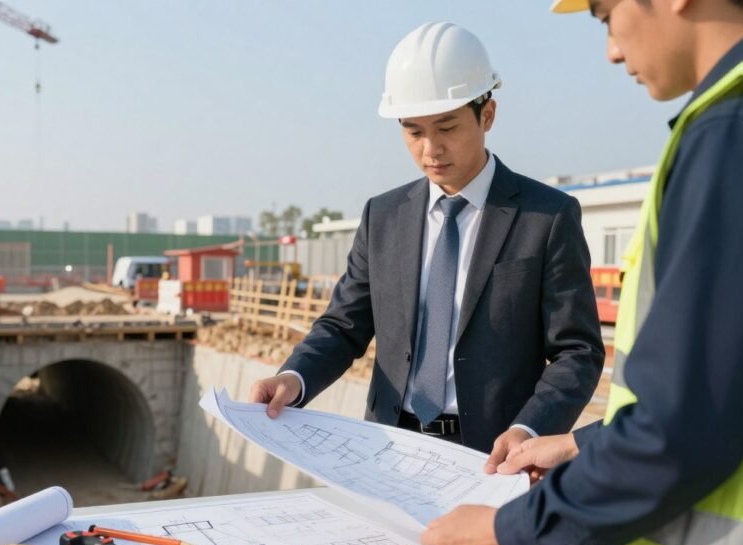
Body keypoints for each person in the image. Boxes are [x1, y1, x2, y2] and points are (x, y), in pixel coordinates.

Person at [419, 2, 743, 545]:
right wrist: (584, 445)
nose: (611, 47)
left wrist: (513, 533)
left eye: (605, 14)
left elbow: (685, 426)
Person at [249, 22, 604, 454]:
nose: (430, 149)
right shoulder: (382, 216)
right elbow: (343, 327)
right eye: (413, 131)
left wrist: (529, 431)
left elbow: (577, 351)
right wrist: (294, 377)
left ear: (487, 114)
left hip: (493, 454)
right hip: (386, 447)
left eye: (447, 127)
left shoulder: (546, 216)